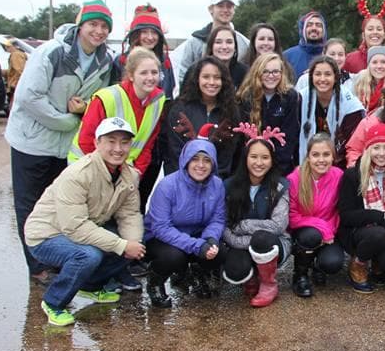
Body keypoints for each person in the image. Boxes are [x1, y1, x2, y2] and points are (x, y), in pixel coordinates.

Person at [6, 0, 115, 284]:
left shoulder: (106, 61)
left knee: (58, 205)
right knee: (29, 206)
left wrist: (82, 110)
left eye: (104, 26)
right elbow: (29, 97)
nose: (98, 31)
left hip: (65, 146)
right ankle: (37, 266)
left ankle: (55, 259)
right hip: (32, 141)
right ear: (81, 25)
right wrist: (68, 119)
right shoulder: (50, 52)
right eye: (93, 24)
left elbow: (100, 100)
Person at [24, 117, 145, 326]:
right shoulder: (77, 174)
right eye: (111, 141)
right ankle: (53, 303)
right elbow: (75, 226)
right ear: (98, 143)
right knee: (89, 255)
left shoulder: (129, 175)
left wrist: (132, 244)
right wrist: (121, 245)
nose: (118, 148)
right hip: (46, 236)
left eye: (124, 142)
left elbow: (130, 214)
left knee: (135, 244)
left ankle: (90, 287)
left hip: (87, 226)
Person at [70, 48, 167, 218]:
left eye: (154, 72)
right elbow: (86, 141)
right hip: (88, 169)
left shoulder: (158, 101)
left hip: (124, 173)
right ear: (130, 75)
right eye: (143, 73)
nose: (150, 77)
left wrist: (135, 175)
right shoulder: (107, 98)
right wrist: (109, 174)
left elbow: (146, 146)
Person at [143, 126, 227, 307]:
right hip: (162, 239)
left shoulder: (217, 185)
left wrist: (210, 239)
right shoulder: (167, 186)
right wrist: (198, 246)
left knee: (219, 250)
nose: (201, 165)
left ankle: (198, 274)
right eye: (195, 159)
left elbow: (217, 219)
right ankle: (155, 281)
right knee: (174, 257)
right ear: (185, 161)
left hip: (196, 235)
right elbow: (161, 227)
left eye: (207, 160)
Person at [221, 124, 291, 308]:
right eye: (253, 157)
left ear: (272, 160)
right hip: (239, 243)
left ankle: (269, 283)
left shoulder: (280, 186)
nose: (259, 163)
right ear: (245, 159)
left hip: (273, 242)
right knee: (235, 271)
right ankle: (251, 276)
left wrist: (243, 227)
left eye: (265, 158)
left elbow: (278, 226)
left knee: (262, 238)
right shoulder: (228, 186)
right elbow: (224, 225)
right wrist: (239, 241)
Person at [338, 123, 385, 293]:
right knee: (377, 233)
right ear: (368, 149)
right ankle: (358, 264)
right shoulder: (353, 175)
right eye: (376, 147)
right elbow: (346, 216)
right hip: (357, 232)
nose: (382, 153)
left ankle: (377, 259)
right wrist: (379, 216)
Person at [287, 134, 347, 297]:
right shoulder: (294, 179)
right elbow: (292, 217)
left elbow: (340, 210)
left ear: (333, 156)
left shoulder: (339, 176)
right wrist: (322, 228)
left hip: (330, 230)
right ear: (308, 156)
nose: (321, 160)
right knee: (311, 236)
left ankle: (318, 266)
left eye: (326, 154)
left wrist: (330, 229)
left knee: (333, 264)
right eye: (315, 155)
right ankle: (300, 275)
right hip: (304, 230)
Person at [163, 57, 239, 179]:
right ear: (197, 79)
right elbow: (174, 152)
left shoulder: (231, 112)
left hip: (216, 184)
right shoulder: (179, 109)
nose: (212, 82)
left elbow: (228, 156)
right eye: (206, 77)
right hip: (182, 181)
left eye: (217, 77)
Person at [236, 53, 301, 175]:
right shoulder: (246, 97)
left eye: (275, 72)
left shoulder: (290, 97)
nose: (271, 76)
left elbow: (290, 135)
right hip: (250, 164)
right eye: (265, 72)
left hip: (279, 165)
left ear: (282, 73)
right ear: (257, 73)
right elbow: (241, 136)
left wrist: (276, 167)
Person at [172, 0, 250, 89]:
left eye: (229, 6)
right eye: (220, 6)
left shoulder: (244, 43)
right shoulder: (194, 42)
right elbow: (182, 74)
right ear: (211, 9)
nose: (225, 10)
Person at [297, 56, 365, 167]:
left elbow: (353, 142)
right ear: (311, 77)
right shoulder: (301, 99)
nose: (322, 79)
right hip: (307, 161)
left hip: (339, 163)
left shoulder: (350, 105)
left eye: (328, 74)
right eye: (318, 74)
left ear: (335, 78)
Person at [111, 4, 175, 97]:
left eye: (154, 32)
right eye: (144, 32)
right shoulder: (121, 61)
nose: (150, 37)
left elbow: (169, 93)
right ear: (135, 34)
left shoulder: (165, 61)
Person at [343, 0, 385, 73]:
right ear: (363, 35)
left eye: (379, 29)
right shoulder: (350, 60)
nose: (375, 32)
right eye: (370, 29)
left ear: (384, 34)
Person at [351, 46, 385, 112]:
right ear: (369, 65)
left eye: (383, 62)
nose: (379, 66)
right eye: (374, 62)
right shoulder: (359, 81)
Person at [285, 11, 329, 78]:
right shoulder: (287, 56)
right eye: (309, 25)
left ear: (324, 30)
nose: (314, 28)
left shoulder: (331, 55)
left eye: (318, 25)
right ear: (303, 29)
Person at [2, 38, 28, 113]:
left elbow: (19, 70)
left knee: (13, 105)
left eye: (8, 46)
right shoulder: (19, 54)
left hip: (15, 83)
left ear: (15, 46)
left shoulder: (16, 55)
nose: (6, 48)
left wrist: (18, 83)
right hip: (17, 82)